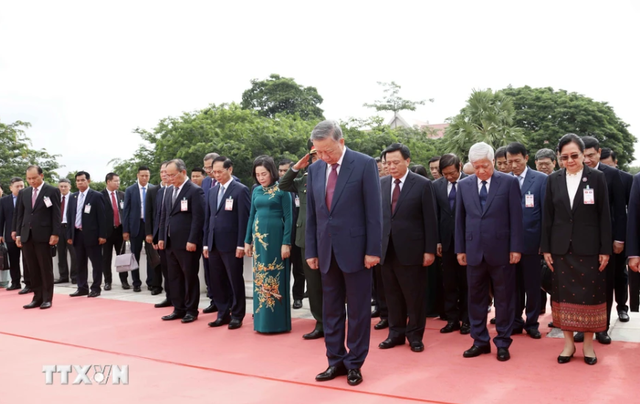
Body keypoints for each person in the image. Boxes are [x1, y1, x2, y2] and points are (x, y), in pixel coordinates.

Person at [306, 120, 382, 387]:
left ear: (341, 141)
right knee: (331, 310)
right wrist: (311, 250)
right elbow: (314, 215)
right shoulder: (315, 170)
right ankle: (334, 360)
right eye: (319, 152)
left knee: (359, 311)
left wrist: (373, 250)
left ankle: (354, 363)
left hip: (357, 251)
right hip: (326, 251)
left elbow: (374, 212)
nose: (325, 157)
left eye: (328, 151)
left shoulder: (363, 164)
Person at [541, 133, 611, 365]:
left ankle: (589, 347)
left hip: (589, 249)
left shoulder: (597, 178)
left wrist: (605, 249)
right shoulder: (553, 180)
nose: (569, 161)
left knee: (589, 299)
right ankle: (568, 345)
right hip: (561, 249)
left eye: (574, 156)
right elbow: (548, 217)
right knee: (563, 298)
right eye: (564, 157)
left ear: (583, 155)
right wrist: (546, 248)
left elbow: (604, 216)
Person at [455, 142, 523, 362]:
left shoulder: (509, 182)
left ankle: (503, 342)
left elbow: (516, 218)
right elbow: (460, 220)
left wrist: (515, 247)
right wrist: (460, 249)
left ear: (493, 161)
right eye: (476, 167)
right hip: (473, 250)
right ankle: (479, 341)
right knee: (475, 298)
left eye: (485, 166)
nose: (481, 171)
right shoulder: (464, 185)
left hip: (502, 251)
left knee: (504, 299)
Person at [378, 143, 437, 353]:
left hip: (413, 251)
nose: (391, 167)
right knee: (391, 296)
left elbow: (431, 220)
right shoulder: (381, 184)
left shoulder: (422, 184)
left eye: (395, 162)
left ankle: (414, 336)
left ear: (407, 161)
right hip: (386, 250)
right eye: (387, 163)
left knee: (414, 297)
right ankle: (395, 334)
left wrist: (429, 250)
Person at [580, 136, 627, 344]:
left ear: (599, 152)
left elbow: (619, 211)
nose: (587, 159)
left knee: (605, 285)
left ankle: (602, 328)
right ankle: (583, 327)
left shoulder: (613, 175)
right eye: (584, 155)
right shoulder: (574, 174)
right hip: (581, 241)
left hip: (606, 241)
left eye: (591, 155)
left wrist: (619, 239)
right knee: (582, 285)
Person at [279, 143, 325, 339]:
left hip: (330, 238)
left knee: (334, 284)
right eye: (314, 155)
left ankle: (337, 321)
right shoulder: (304, 180)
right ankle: (321, 323)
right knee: (313, 286)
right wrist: (296, 166)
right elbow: (283, 185)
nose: (318, 159)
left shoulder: (336, 176)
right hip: (306, 238)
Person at [244, 155, 293, 333]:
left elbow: (289, 217)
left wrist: (286, 242)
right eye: (257, 174)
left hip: (276, 238)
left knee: (275, 276)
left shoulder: (283, 188)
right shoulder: (256, 190)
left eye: (264, 174)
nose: (261, 178)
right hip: (258, 241)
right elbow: (251, 215)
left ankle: (277, 323)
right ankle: (262, 322)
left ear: (271, 172)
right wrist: (247, 240)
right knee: (260, 278)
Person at [506, 142, 547, 339]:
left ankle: (532, 323)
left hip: (532, 242)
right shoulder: (504, 180)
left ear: (526, 158)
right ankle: (515, 320)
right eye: (509, 161)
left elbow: (547, 214)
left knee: (532, 286)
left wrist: (544, 242)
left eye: (517, 160)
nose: (513, 165)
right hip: (508, 244)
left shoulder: (540, 180)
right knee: (512, 286)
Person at [203, 156, 250, 330]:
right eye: (214, 172)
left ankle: (237, 315)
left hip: (231, 245)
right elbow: (209, 219)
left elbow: (243, 219)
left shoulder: (240, 190)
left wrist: (241, 244)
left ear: (230, 170)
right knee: (217, 281)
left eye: (220, 172)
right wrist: (206, 244)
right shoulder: (212, 191)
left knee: (234, 280)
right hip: (214, 243)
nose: (216, 175)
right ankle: (223, 313)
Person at [159, 159, 205, 324]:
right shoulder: (169, 190)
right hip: (170, 242)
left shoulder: (194, 191)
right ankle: (178, 308)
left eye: (172, 174)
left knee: (189, 276)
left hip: (187, 243)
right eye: (167, 175)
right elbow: (165, 216)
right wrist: (162, 237)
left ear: (183, 172)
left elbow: (198, 218)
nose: (169, 178)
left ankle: (191, 310)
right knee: (174, 277)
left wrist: (193, 239)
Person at [14, 165, 61, 309]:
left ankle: (47, 298)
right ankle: (37, 297)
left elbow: (56, 214)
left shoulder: (52, 191)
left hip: (44, 235)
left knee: (45, 268)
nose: (31, 181)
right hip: (27, 235)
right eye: (29, 179)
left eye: (34, 178)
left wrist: (55, 233)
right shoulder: (24, 193)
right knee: (32, 268)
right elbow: (20, 215)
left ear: (42, 175)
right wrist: (18, 234)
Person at [434, 154, 470, 335]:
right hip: (446, 241)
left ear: (460, 166)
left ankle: (467, 319)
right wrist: (438, 240)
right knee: (449, 283)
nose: (449, 177)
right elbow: (436, 214)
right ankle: (452, 319)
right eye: (445, 174)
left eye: (452, 173)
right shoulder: (436, 186)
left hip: (466, 241)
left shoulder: (470, 183)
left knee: (467, 283)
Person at [67, 171, 107, 298]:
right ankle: (82, 287)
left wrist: (102, 235)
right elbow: (70, 217)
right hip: (77, 235)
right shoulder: (73, 197)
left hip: (92, 235)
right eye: (77, 180)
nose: (80, 182)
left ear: (88, 181)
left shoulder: (96, 196)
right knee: (79, 262)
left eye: (82, 180)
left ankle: (95, 288)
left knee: (96, 263)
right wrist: (69, 235)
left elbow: (102, 217)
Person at [123, 166, 155, 292]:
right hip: (135, 226)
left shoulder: (153, 189)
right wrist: (125, 230)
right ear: (137, 175)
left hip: (149, 226)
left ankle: (151, 282)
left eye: (147, 175)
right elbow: (126, 211)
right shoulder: (130, 190)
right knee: (134, 255)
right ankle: (136, 282)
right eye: (142, 175)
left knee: (151, 255)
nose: (144, 178)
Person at [279, 158, 305, 310]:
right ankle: (282, 296)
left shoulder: (299, 187)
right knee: (282, 270)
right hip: (282, 236)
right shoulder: (278, 189)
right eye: (280, 170)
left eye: (285, 170)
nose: (282, 173)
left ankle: (298, 297)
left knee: (298, 270)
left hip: (298, 235)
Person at [146, 162, 173, 309]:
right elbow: (152, 214)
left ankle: (179, 298)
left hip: (175, 236)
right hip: (160, 235)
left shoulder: (177, 190)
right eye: (162, 171)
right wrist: (152, 235)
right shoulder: (154, 191)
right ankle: (169, 296)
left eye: (167, 171)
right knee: (164, 268)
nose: (164, 174)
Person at [101, 173, 125, 291]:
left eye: (118, 181)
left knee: (122, 257)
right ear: (108, 182)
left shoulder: (122, 195)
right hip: (106, 232)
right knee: (106, 258)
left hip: (120, 231)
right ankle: (107, 282)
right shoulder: (100, 196)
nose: (118, 183)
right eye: (115, 181)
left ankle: (124, 281)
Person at [0, 177, 25, 290]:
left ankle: (29, 283)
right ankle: (15, 282)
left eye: (22, 186)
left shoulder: (28, 198)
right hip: (10, 235)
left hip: (25, 234)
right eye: (17, 186)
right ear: (11, 188)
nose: (20, 188)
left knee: (27, 260)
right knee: (13, 260)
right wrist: (0, 234)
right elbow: (1, 219)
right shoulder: (4, 201)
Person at [54, 179, 77, 285]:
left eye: (65, 186)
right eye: (61, 186)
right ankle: (63, 276)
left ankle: (75, 276)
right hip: (59, 227)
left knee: (74, 253)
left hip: (70, 227)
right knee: (61, 253)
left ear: (70, 187)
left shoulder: (74, 198)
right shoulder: (55, 198)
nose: (63, 188)